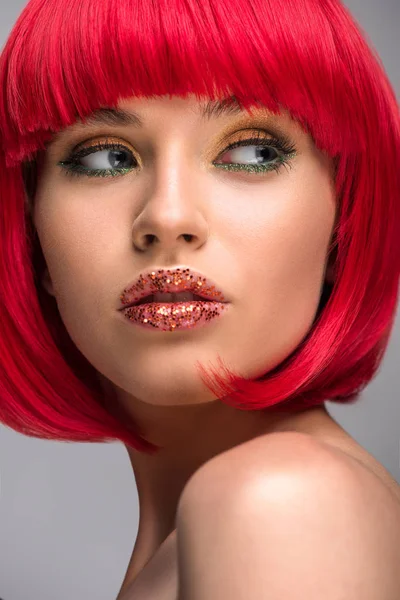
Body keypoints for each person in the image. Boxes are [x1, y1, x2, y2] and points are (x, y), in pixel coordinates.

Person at [0, 0, 399, 598]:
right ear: (31, 232)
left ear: (343, 218)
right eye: (107, 157)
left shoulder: (280, 503)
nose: (167, 217)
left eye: (252, 151)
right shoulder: (214, 530)